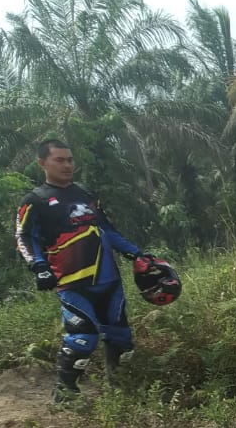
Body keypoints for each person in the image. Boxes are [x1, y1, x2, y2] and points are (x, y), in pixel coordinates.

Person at [15, 139, 148, 402]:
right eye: (59, 160)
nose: (67, 165)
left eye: (70, 159)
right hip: (73, 283)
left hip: (109, 280)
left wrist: (137, 253)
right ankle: (64, 396)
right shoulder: (35, 200)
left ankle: (121, 392)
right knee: (82, 339)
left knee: (121, 336)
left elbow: (107, 230)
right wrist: (38, 266)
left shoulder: (86, 194)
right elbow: (24, 237)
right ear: (42, 163)